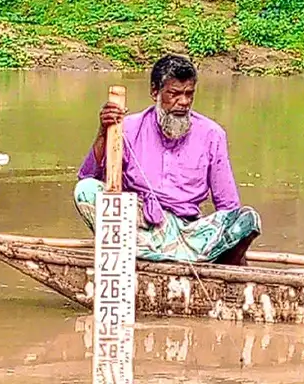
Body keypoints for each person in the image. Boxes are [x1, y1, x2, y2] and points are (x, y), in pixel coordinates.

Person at [73, 54, 261, 266]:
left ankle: (171, 256)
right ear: (155, 92)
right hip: (142, 225)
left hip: (189, 234)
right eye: (174, 94)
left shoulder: (212, 134)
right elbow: (88, 176)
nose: (183, 102)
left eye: (189, 94)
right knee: (86, 190)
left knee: (246, 220)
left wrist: (233, 246)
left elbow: (228, 205)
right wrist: (103, 132)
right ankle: (159, 255)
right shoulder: (128, 128)